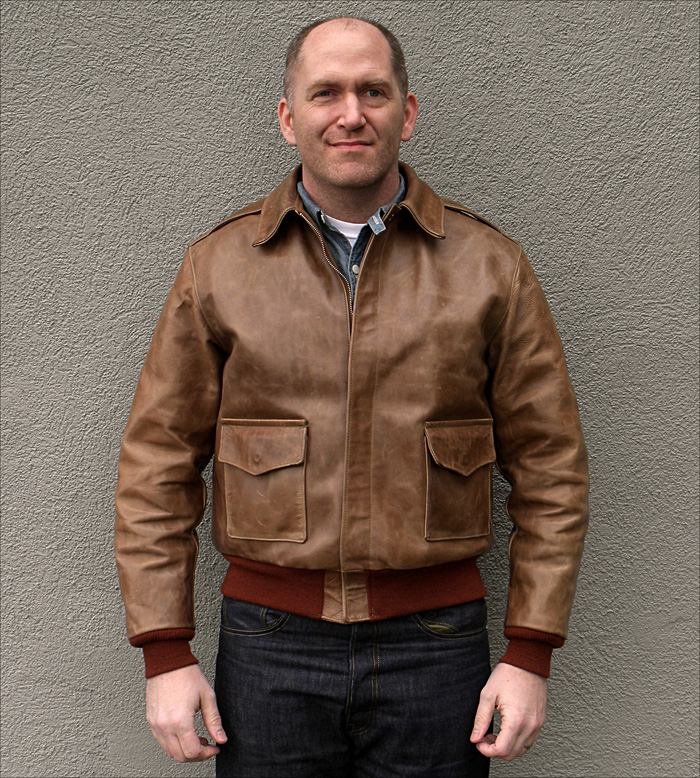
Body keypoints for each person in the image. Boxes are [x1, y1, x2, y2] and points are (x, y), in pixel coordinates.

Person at [115, 16, 589, 778]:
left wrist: (531, 651)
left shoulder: (489, 267)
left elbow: (552, 466)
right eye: (325, 93)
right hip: (269, 645)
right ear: (287, 117)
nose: (351, 113)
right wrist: (164, 651)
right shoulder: (219, 267)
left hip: (437, 646)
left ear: (407, 111)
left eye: (373, 91)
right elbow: (156, 466)